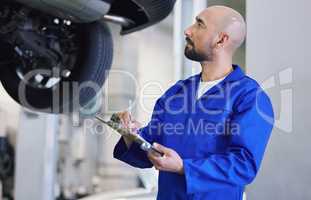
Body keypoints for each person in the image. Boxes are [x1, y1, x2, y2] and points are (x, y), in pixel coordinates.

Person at [113, 5, 274, 200]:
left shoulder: (249, 97)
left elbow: (243, 165)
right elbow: (150, 150)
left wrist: (183, 167)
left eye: (199, 25)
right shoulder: (176, 93)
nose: (188, 30)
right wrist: (131, 135)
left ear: (221, 40)